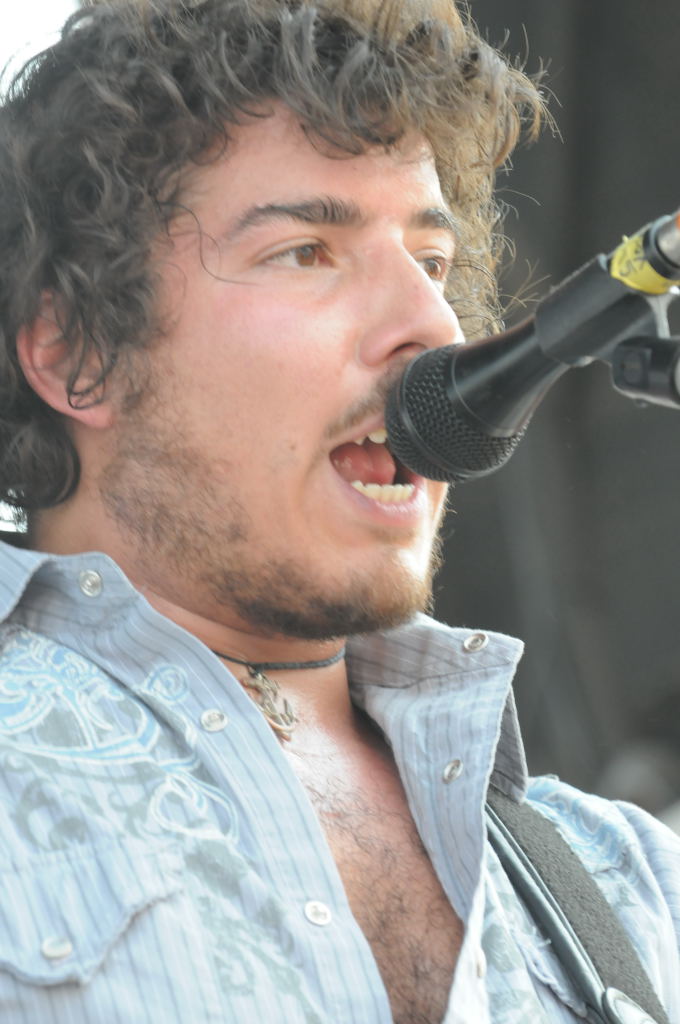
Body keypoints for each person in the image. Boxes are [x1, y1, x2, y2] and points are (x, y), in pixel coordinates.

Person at [0, 1, 678, 1022]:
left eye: (432, 262)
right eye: (307, 251)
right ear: (77, 354)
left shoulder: (625, 878)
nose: (431, 326)